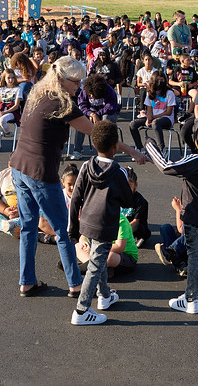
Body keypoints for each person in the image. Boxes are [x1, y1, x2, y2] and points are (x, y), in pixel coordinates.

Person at [9, 56, 144, 298]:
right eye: (76, 82)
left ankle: (26, 281)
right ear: (61, 78)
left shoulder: (38, 93)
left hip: (19, 167)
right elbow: (97, 133)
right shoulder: (63, 105)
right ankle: (75, 284)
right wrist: (131, 150)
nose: (79, 87)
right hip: (41, 172)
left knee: (28, 226)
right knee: (64, 229)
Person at [147, 116, 198, 314]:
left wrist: (150, 146)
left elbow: (166, 167)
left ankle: (190, 300)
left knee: (194, 256)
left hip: (195, 218)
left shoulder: (196, 161)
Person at [67, 121, 134, 325]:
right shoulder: (118, 172)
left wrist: (74, 228)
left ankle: (104, 295)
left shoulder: (86, 166)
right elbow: (127, 201)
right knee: (96, 265)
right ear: (115, 146)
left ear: (94, 144)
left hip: (87, 222)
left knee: (99, 257)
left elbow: (75, 199)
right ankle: (81, 310)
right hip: (106, 224)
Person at [71, 74, 120, 159]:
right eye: (90, 95)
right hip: (91, 114)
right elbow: (82, 106)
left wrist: (97, 114)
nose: (92, 96)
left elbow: (110, 108)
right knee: (81, 122)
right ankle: (77, 151)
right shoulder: (85, 91)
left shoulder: (109, 91)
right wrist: (91, 114)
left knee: (106, 120)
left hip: (108, 114)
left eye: (93, 94)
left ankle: (107, 150)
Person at [128, 71, 176, 152]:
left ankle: (162, 149)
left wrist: (152, 118)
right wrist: (148, 119)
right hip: (153, 118)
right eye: (158, 80)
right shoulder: (150, 93)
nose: (160, 83)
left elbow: (169, 112)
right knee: (133, 124)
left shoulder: (169, 93)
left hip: (166, 119)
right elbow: (149, 110)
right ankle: (140, 148)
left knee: (155, 123)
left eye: (162, 80)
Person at [119, 166, 150, 248]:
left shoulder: (139, 200)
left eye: (129, 185)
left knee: (136, 227)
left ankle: (137, 239)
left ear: (135, 185)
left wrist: (121, 228)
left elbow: (136, 221)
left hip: (133, 227)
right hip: (120, 227)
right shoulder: (116, 197)